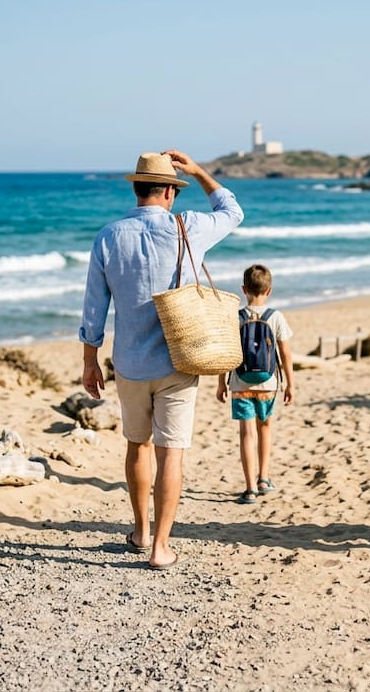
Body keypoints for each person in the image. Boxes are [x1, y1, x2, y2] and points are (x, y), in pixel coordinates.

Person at [80, 150, 244, 570]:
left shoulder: (109, 236)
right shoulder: (188, 226)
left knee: (137, 445)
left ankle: (139, 532)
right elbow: (233, 210)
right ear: (170, 191)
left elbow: (94, 307)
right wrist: (200, 172)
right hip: (180, 360)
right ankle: (161, 548)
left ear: (137, 189)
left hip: (130, 362)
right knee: (172, 452)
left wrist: (90, 360)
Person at [215, 264, 295, 504]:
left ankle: (249, 489)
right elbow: (285, 354)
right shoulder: (276, 317)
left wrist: (221, 383)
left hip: (240, 383)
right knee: (265, 428)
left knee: (246, 434)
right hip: (268, 383)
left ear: (243, 289)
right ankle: (263, 478)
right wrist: (290, 384)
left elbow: (226, 354)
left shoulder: (235, 317)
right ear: (269, 290)